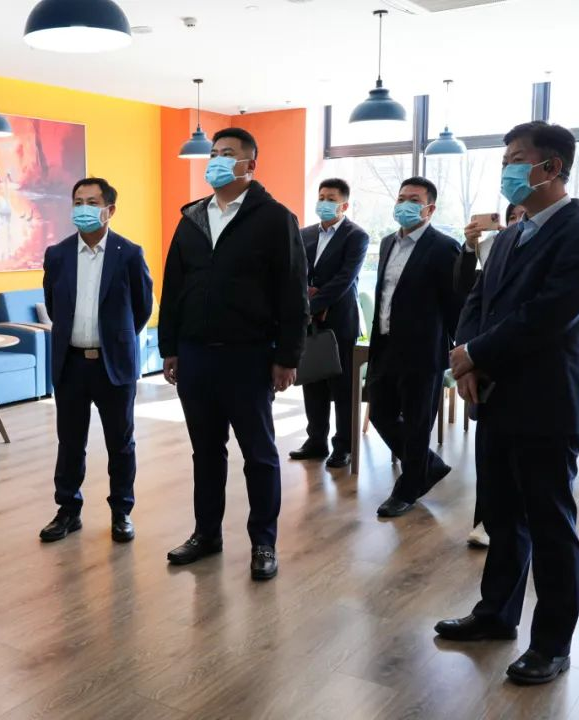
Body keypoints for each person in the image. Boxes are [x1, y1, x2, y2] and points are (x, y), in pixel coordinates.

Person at [438, 122, 579, 686]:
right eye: (506, 160)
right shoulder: (512, 235)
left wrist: (475, 354)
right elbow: (478, 301)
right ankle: (496, 614)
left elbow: (549, 315)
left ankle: (552, 644)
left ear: (552, 167)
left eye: (517, 159)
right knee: (501, 516)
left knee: (550, 526)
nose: (507, 170)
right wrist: (466, 358)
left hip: (544, 402)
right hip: (494, 397)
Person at [159, 127, 308, 581]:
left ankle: (263, 542)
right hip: (195, 355)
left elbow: (293, 292)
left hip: (249, 356)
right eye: (214, 153)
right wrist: (170, 347)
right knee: (205, 452)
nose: (217, 160)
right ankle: (207, 534)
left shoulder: (274, 218)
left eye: (228, 153)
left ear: (250, 164)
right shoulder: (192, 218)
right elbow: (173, 288)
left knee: (259, 454)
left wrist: (287, 356)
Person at [38, 177, 154, 544]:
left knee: (121, 443)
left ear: (110, 209)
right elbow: (54, 305)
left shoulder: (129, 253)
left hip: (112, 364)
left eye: (91, 202)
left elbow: (142, 308)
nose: (83, 208)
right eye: (78, 202)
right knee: (70, 442)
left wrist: (115, 339)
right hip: (71, 364)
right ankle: (68, 510)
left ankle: (121, 511)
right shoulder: (57, 255)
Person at [367, 177, 466, 518]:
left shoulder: (444, 247)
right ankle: (427, 465)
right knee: (379, 413)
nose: (404, 205)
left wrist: (459, 349)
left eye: (414, 200)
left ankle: (408, 490)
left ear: (430, 208)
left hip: (423, 351)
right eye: (401, 198)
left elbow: (455, 304)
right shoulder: (387, 243)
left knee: (417, 422)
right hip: (385, 344)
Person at [456, 201, 525, 549]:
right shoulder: (494, 249)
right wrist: (467, 360)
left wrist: (473, 354)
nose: (517, 223)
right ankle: (485, 520)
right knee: (489, 461)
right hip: (485, 373)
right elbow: (470, 299)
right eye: (512, 218)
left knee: (527, 494)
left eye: (524, 217)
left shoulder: (575, 240)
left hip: (527, 377)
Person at [288, 178, 370, 469]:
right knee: (312, 381)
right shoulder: (305, 234)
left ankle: (344, 446)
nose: (324, 202)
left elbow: (344, 279)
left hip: (340, 322)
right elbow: (295, 272)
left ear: (344, 205)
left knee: (343, 387)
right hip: (309, 323)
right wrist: (303, 304)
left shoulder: (356, 236)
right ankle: (316, 440)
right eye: (321, 196)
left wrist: (311, 306)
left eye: (331, 198)